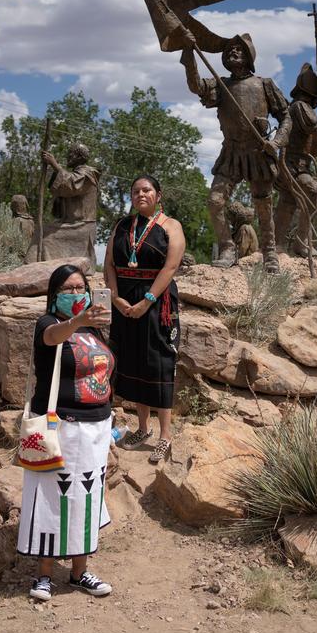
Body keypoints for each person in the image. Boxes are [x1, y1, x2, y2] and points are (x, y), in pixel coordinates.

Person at [17, 264, 115, 602]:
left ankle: (79, 573)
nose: (76, 293)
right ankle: (44, 575)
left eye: (81, 287)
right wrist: (77, 321)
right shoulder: (49, 324)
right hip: (61, 427)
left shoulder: (97, 330)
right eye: (69, 288)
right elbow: (53, 337)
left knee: (85, 498)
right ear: (54, 293)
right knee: (51, 497)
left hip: (97, 428)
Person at [181, 34, 287, 272]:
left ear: (249, 55)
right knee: (215, 201)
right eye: (229, 49)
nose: (233, 52)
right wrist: (189, 52)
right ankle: (227, 247)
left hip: (258, 152)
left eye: (239, 49)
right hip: (231, 152)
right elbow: (196, 85)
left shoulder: (264, 84)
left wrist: (278, 141)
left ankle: (269, 253)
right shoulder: (222, 85)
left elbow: (285, 116)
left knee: (263, 204)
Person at [104, 175, 186, 464]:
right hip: (124, 301)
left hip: (157, 302)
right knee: (134, 360)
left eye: (147, 190)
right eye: (136, 191)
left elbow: (171, 265)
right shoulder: (122, 226)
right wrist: (115, 297)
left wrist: (147, 300)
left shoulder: (170, 226)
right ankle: (142, 428)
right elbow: (109, 265)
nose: (141, 194)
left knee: (159, 363)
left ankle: (165, 436)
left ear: (158, 195)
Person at [273, 64, 317, 257]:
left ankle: (277, 244)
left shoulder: (295, 106)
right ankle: (302, 242)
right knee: (315, 193)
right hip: (294, 166)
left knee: (288, 202)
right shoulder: (301, 106)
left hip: (294, 165)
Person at [25, 143, 100, 263]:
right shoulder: (78, 173)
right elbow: (61, 189)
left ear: (80, 157)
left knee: (44, 235)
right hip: (71, 223)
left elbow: (71, 185)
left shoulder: (88, 174)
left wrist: (55, 165)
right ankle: (36, 266)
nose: (68, 156)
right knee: (42, 230)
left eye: (71, 153)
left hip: (82, 225)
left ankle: (45, 266)